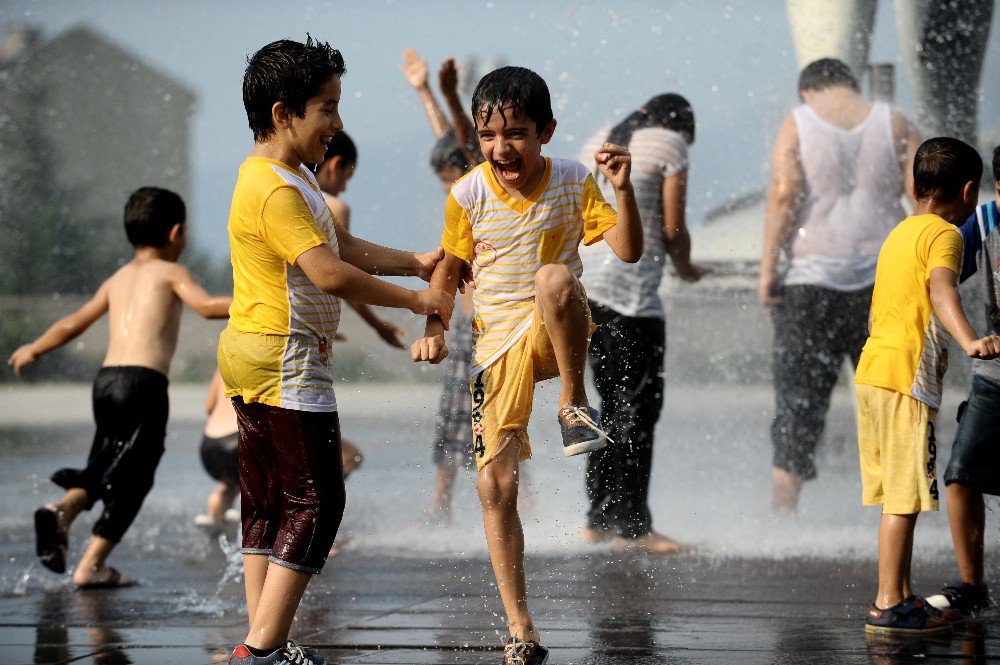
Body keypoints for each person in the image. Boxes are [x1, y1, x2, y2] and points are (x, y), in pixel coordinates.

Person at [221, 37, 453, 665]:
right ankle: (262, 649)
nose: (338, 123)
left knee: (271, 501)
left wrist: (414, 263)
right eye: (326, 107)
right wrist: (417, 303)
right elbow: (327, 273)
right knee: (320, 498)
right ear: (281, 113)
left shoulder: (288, 179)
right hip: (285, 354)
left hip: (256, 352)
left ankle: (262, 640)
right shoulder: (273, 188)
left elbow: (339, 242)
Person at [411, 65, 643, 665]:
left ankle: (573, 403)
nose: (499, 148)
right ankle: (521, 628)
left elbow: (628, 249)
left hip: (556, 328)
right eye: (489, 136)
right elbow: (448, 269)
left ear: (545, 132)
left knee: (556, 276)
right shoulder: (467, 193)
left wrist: (623, 187)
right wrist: (434, 327)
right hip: (495, 350)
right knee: (494, 484)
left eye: (515, 133)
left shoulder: (571, 178)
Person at [7, 187, 232, 588]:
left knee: (106, 464)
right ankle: (88, 559)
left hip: (106, 382)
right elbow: (207, 307)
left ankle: (67, 515)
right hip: (144, 384)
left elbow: (72, 323)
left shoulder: (118, 278)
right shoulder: (171, 272)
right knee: (136, 476)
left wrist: (34, 348)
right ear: (175, 232)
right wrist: (265, 301)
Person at [758, 58, 921, 515]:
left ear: (807, 91)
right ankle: (900, 514)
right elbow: (924, 196)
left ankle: (782, 511)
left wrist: (768, 266)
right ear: (850, 85)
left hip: (811, 282)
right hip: (883, 280)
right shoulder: (895, 122)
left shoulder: (800, 122)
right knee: (891, 397)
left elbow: (785, 192)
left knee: (798, 398)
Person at [855, 136, 999, 635]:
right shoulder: (946, 235)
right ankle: (889, 602)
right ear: (966, 191)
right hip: (906, 379)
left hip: (873, 372)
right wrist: (971, 340)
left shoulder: (898, 234)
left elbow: (877, 310)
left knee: (897, 494)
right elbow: (942, 289)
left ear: (915, 186)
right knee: (905, 496)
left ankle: (895, 594)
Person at [578, 93, 708, 554]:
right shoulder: (672, 143)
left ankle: (598, 521)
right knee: (638, 411)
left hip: (587, 291)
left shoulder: (601, 136)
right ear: (682, 125)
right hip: (632, 298)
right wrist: (688, 268)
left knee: (608, 406)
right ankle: (634, 528)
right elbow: (673, 230)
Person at [400, 48, 483, 520]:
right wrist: (424, 92)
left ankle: (520, 501)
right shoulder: (460, 184)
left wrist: (447, 94)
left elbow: (465, 144)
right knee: (458, 413)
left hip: (483, 320)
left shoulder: (477, 183)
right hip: (466, 320)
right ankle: (442, 503)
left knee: (485, 414)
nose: (446, 191)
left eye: (449, 182)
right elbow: (446, 139)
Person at [926, 145, 1000, 614]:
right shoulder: (988, 219)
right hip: (995, 373)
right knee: (960, 475)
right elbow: (941, 277)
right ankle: (972, 584)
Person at [194, 369, 241, 532]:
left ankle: (216, 512)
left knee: (231, 484)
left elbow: (209, 407)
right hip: (237, 440)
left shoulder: (223, 360)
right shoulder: (266, 351)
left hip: (209, 446)